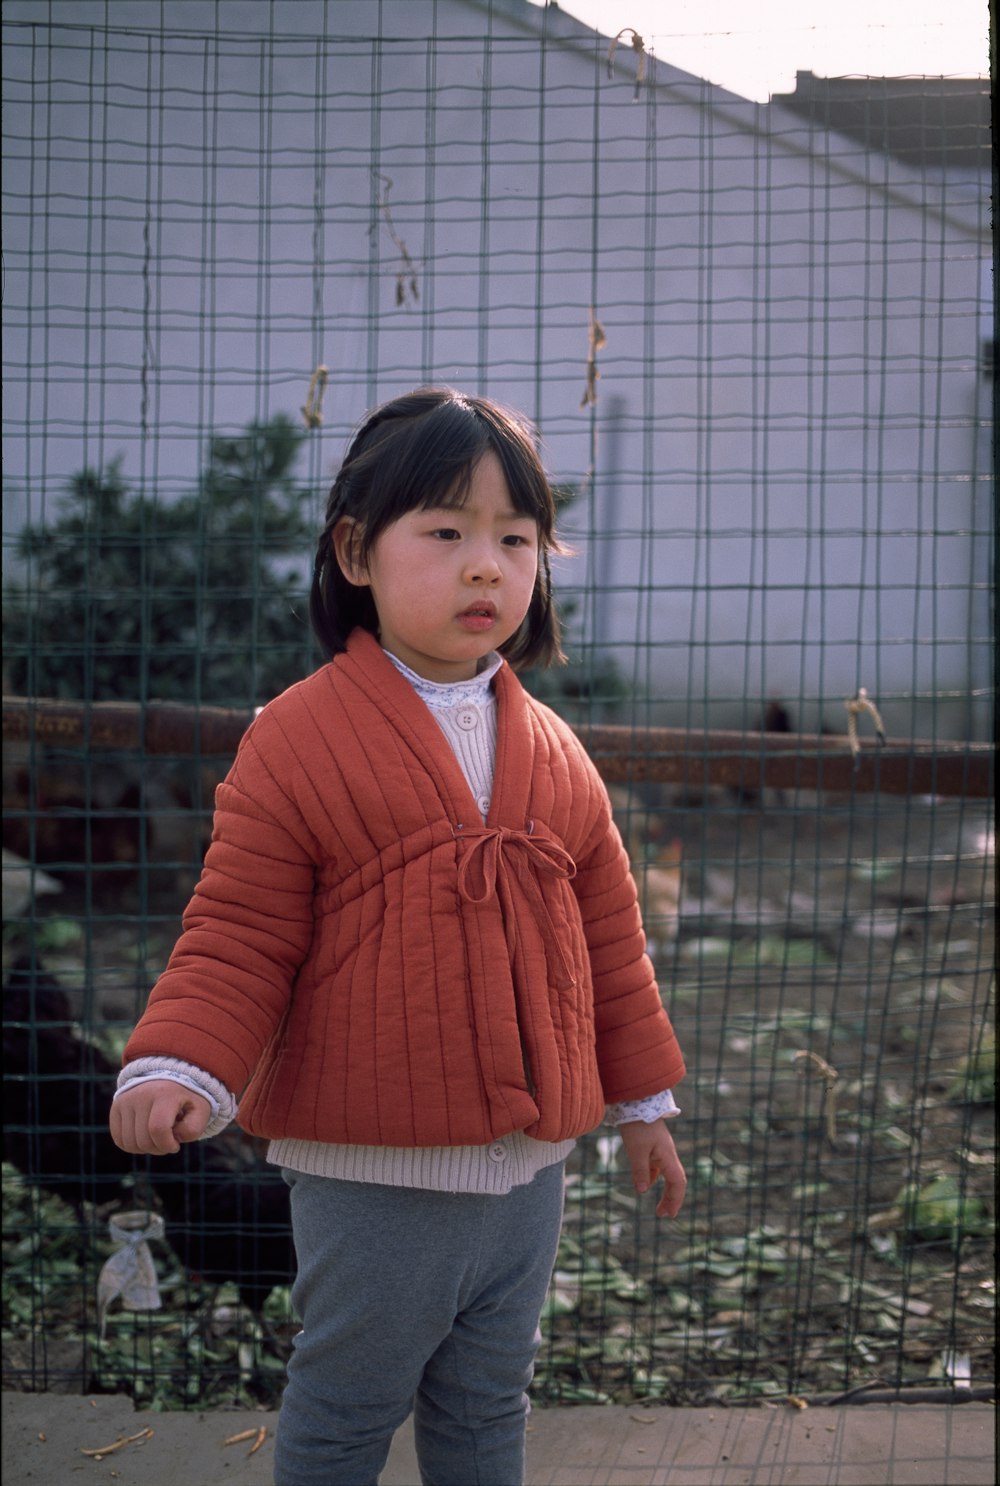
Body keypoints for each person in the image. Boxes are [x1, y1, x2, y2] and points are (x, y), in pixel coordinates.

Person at [110, 386, 687, 1486]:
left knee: (487, 1407)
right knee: (343, 1410)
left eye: (514, 538)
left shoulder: (557, 750)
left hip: (532, 1174)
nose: (486, 565)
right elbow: (238, 932)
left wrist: (643, 1105)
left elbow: (610, 943)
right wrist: (180, 1060)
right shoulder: (296, 740)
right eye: (446, 531)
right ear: (355, 552)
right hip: (374, 1171)